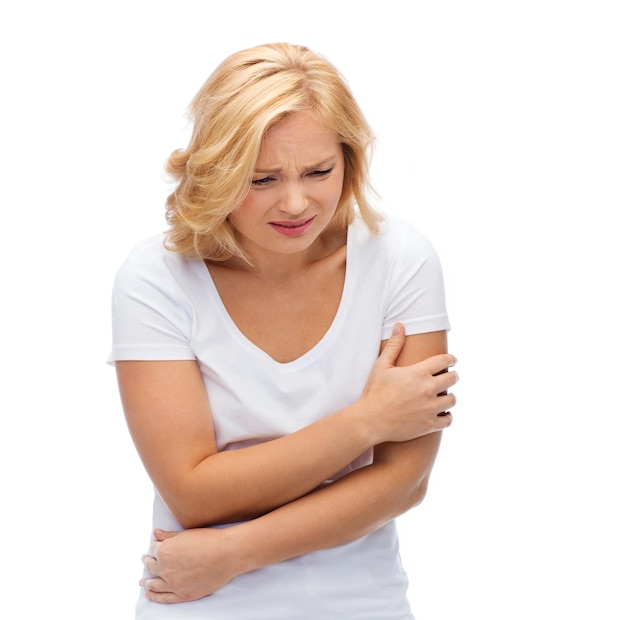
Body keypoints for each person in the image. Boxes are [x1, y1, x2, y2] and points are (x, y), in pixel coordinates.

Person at [109, 42, 458, 620]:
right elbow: (193, 495)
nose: (296, 203)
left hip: (357, 601)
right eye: (261, 178)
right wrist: (366, 422)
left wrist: (233, 549)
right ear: (216, 168)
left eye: (319, 171)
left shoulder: (400, 260)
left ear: (349, 160)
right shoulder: (156, 278)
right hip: (196, 600)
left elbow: (404, 481)